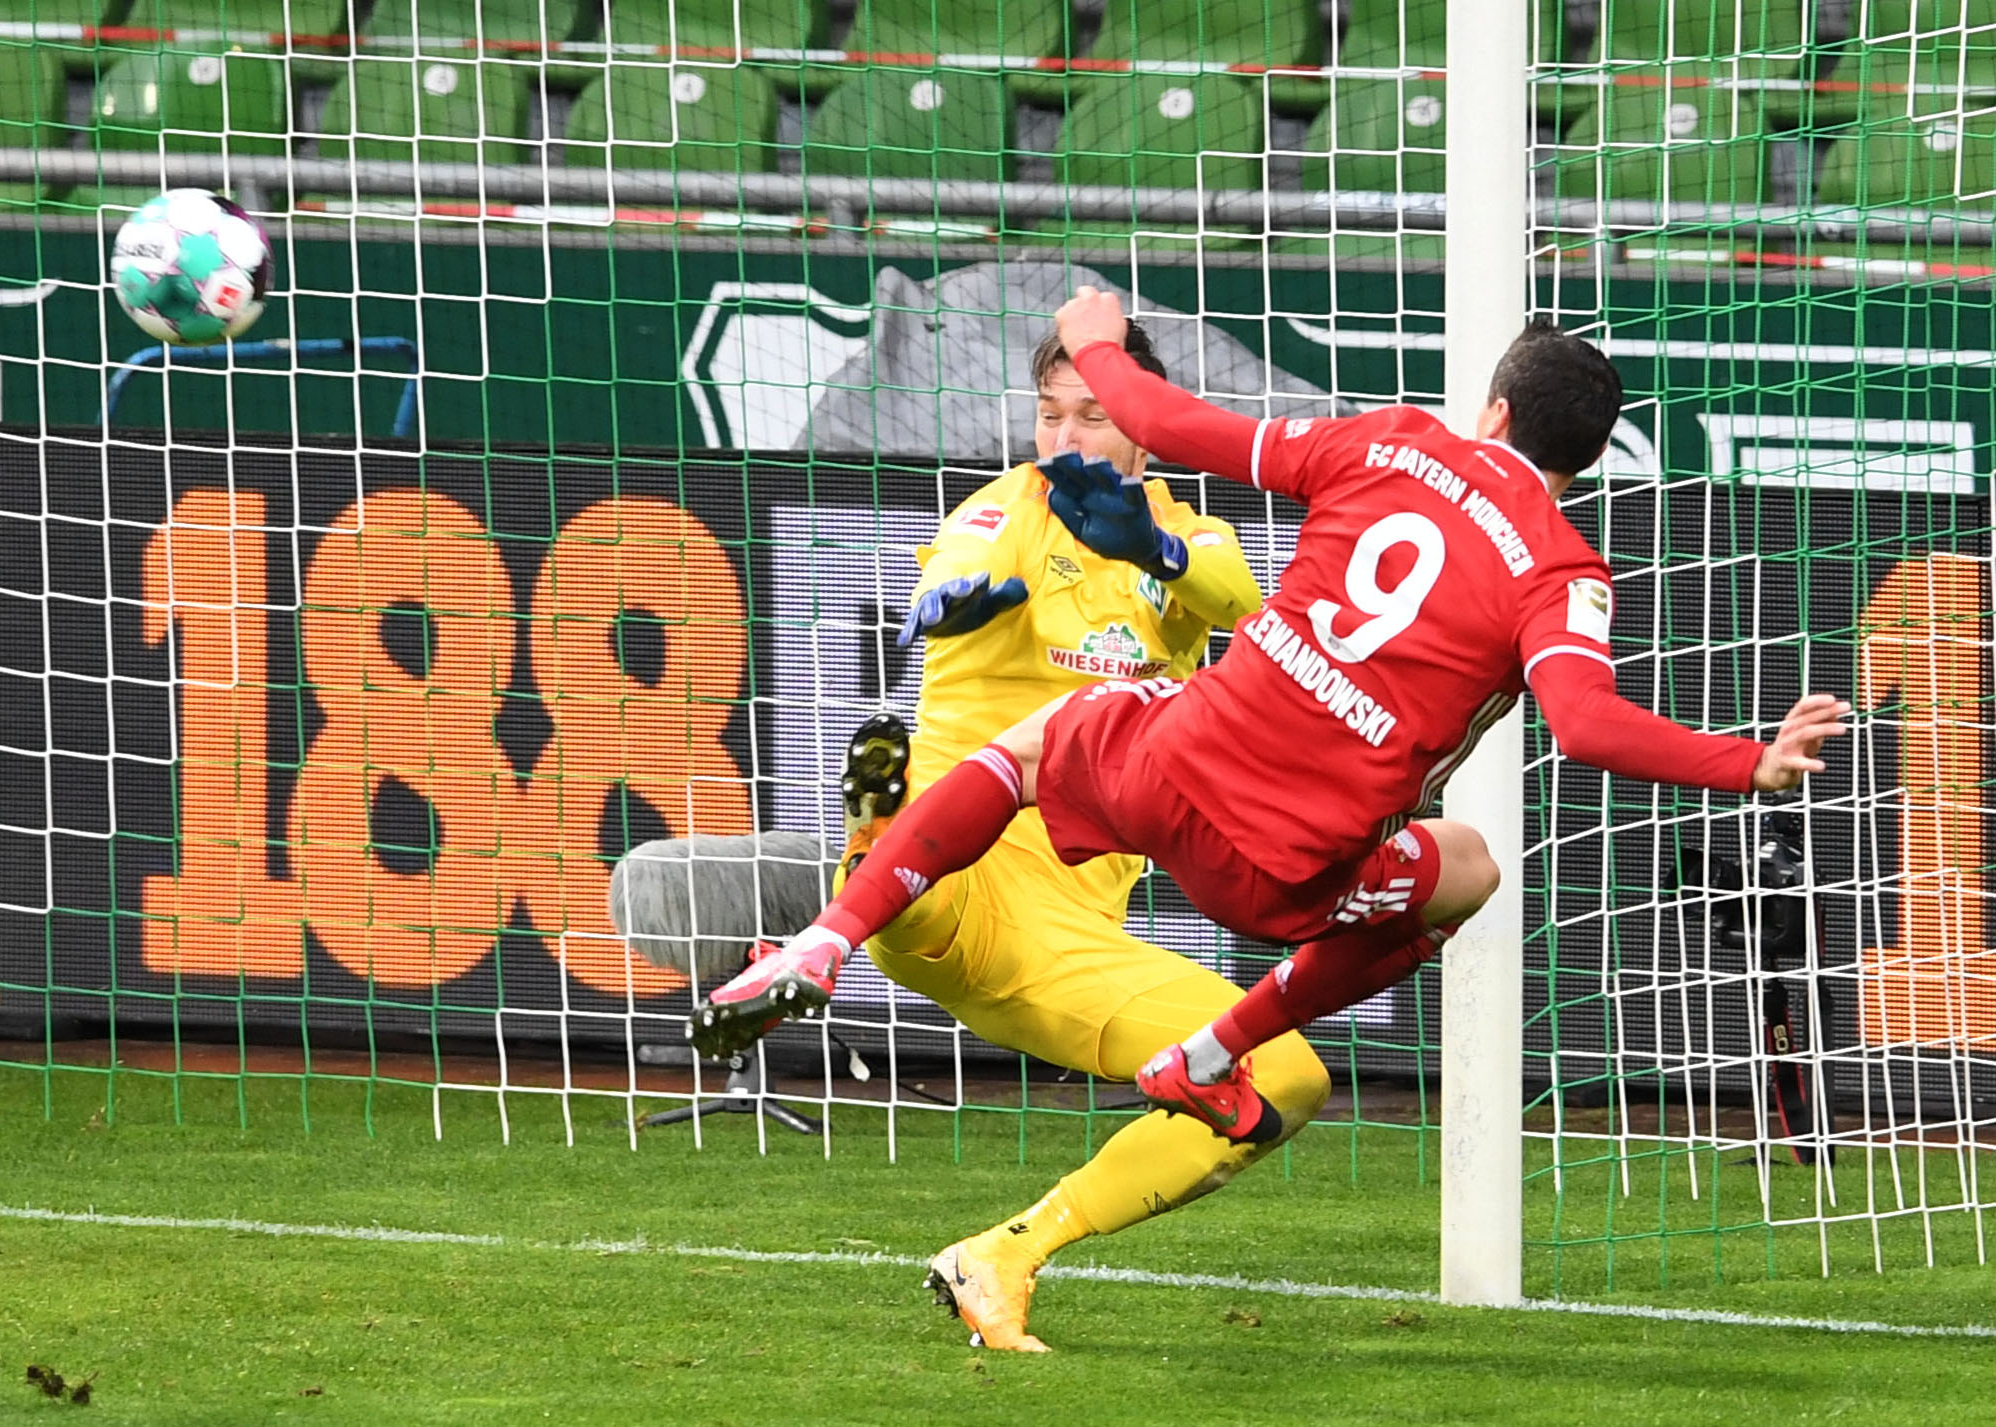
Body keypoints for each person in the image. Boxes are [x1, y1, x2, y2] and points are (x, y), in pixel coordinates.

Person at [724, 289, 1849, 1150]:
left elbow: (1168, 419)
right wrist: (1751, 760)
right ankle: (1216, 1051)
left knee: (1033, 745)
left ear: (1492, 408)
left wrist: (1101, 338)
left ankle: (831, 936)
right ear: (1588, 463)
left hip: (1165, 771)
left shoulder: (1388, 441)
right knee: (1463, 869)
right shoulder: (1564, 574)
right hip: (1284, 874)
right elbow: (1589, 730)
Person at [690, 319, 1336, 1354]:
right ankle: (867, 847)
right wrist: (944, 603)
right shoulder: (1004, 507)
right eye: (1050, 413)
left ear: (1143, 430)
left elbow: (1248, 605)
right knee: (922, 888)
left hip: (1070, 933)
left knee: (1290, 1076)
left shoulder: (1189, 533)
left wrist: (1154, 548)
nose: (1065, 435)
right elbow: (961, 559)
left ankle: (1004, 1252)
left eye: (1094, 413)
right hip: (952, 864)